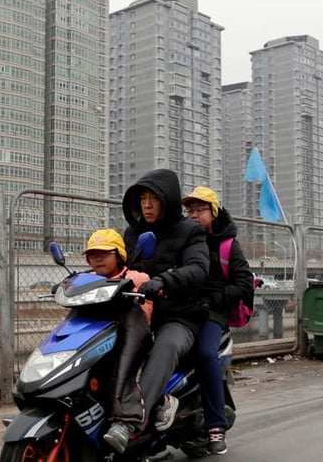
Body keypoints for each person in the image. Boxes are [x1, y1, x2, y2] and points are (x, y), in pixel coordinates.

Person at [103, 169, 210, 453]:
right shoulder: (133, 232)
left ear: (168, 201)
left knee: (165, 347)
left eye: (154, 199)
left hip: (180, 315)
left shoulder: (191, 231)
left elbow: (198, 268)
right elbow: (121, 266)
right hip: (140, 311)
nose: (147, 205)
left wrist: (164, 281)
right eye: (142, 199)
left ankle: (129, 423)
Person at [183, 186, 255, 456]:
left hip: (213, 311)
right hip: (183, 308)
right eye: (189, 210)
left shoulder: (226, 244)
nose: (193, 215)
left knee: (204, 354)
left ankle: (215, 426)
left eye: (199, 210)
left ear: (213, 213)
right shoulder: (183, 239)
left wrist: (215, 299)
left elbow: (245, 282)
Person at [81, 229, 153, 426]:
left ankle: (127, 417)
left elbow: (147, 299)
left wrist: (150, 288)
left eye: (104, 254)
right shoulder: (86, 280)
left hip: (131, 338)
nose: (98, 259)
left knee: (121, 367)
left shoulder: (136, 278)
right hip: (98, 340)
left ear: (120, 255)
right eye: (93, 254)